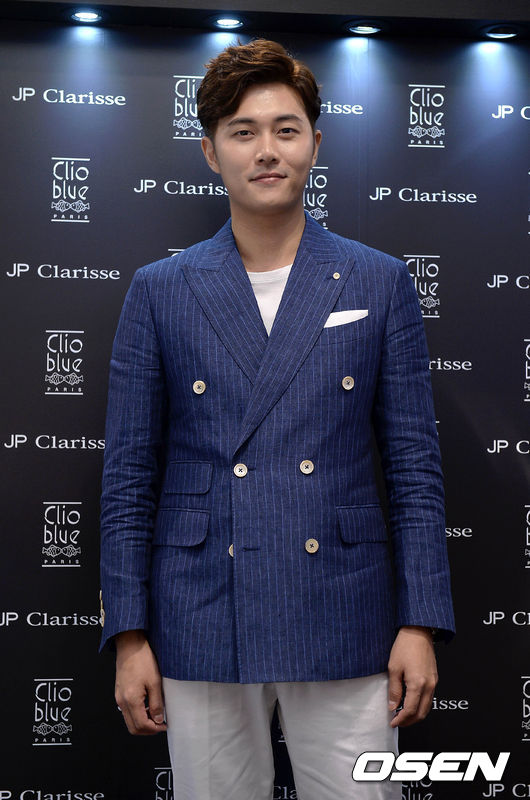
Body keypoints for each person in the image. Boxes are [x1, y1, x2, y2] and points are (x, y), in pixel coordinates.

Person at [99, 38, 455, 800]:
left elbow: (414, 468)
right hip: (200, 607)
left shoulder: (378, 280)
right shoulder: (161, 290)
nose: (267, 150)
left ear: (315, 144)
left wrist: (419, 622)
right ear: (210, 152)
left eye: (286, 130)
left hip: (345, 604)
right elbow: (128, 475)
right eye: (243, 131)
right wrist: (129, 634)